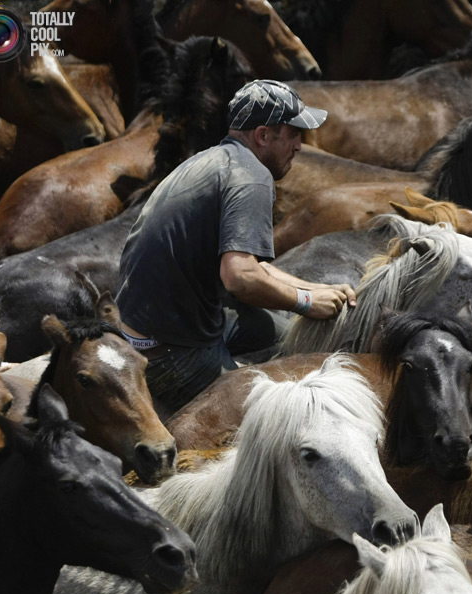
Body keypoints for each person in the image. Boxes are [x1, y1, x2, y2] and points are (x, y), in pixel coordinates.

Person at [116, 79, 355, 415]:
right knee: (280, 420)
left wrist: (316, 289)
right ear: (262, 135)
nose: (300, 146)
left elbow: (248, 262)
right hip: (171, 353)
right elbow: (240, 277)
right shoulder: (252, 176)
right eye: (294, 133)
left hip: (149, 331)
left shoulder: (213, 161)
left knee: (289, 335)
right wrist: (305, 302)